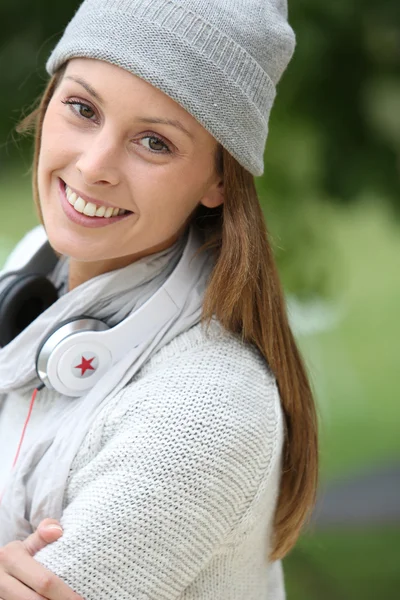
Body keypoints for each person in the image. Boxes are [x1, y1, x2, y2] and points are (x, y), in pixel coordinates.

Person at [0, 1, 318, 599]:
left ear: (219, 179)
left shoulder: (202, 411)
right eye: (82, 109)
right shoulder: (32, 265)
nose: (94, 167)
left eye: (153, 142)